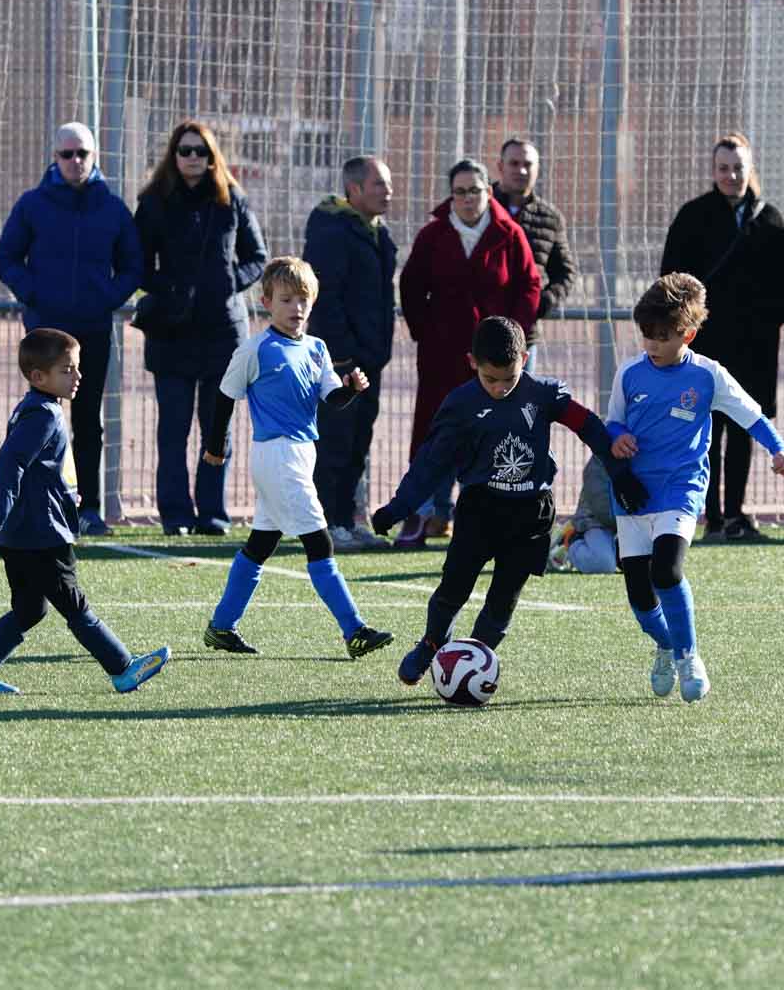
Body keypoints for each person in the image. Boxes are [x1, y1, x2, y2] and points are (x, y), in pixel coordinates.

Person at [369, 316, 646, 683]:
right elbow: (430, 463)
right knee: (454, 586)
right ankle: (433, 643)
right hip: (480, 509)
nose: (500, 388)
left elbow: (589, 427)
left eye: (509, 379)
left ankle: (473, 659)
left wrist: (620, 475)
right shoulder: (460, 404)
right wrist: (398, 508)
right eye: (491, 379)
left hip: (531, 516)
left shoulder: (545, 395)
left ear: (525, 361)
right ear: (473, 363)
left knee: (503, 598)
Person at [607, 274, 784, 703]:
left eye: (661, 337)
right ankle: (667, 645)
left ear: (687, 334)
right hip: (635, 491)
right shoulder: (630, 373)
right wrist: (617, 437)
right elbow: (612, 422)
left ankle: (690, 655)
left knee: (667, 571)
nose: (651, 345)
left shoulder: (709, 376)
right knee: (638, 591)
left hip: (680, 486)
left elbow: (751, 415)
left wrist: (779, 449)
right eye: (646, 336)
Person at [0, 328, 170, 695]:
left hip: (22, 534)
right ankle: (122, 668)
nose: (78, 376)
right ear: (39, 377)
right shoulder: (43, 415)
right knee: (74, 603)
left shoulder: (36, 408)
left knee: (29, 611)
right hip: (40, 536)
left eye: (77, 368)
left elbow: (39, 470)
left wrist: (67, 496)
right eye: (67, 369)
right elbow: (11, 462)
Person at [200, 257, 393, 659]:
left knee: (260, 543)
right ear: (266, 302)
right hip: (277, 455)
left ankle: (220, 626)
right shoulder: (255, 349)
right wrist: (216, 447)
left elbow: (332, 399)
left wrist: (352, 388)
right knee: (320, 544)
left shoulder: (317, 348)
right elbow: (223, 398)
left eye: (303, 299)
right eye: (286, 299)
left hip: (302, 454)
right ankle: (354, 630)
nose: (296, 308)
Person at [0, 121, 142, 536]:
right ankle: (34, 504)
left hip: (93, 330)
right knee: (39, 418)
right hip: (45, 332)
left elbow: (133, 265)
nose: (75, 162)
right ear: (54, 157)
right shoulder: (32, 204)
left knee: (88, 419)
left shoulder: (112, 207)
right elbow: (7, 258)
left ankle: (89, 507)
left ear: (94, 157)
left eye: (83, 154)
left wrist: (106, 297)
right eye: (67, 154)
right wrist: (34, 294)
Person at [396, 158, 540, 547]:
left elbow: (529, 285)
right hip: (442, 354)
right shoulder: (433, 234)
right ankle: (421, 513)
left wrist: (512, 339)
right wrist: (426, 332)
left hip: (493, 360)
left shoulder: (509, 235)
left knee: (492, 432)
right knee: (435, 430)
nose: (466, 198)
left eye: (474, 190)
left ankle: (483, 518)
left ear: (488, 192)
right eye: (459, 191)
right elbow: (411, 286)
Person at [133, 120, 266, 537]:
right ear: (173, 155)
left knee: (217, 429)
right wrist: (169, 290)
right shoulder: (154, 202)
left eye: (201, 151)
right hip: (171, 332)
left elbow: (257, 256)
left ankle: (212, 512)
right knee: (172, 430)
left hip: (223, 332)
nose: (193, 157)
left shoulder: (233, 200)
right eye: (185, 150)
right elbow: (139, 264)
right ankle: (175, 514)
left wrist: (229, 283)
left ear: (213, 157)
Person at [659, 133, 784, 542]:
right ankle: (711, 516)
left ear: (750, 168)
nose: (732, 175)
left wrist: (767, 317)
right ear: (713, 171)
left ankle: (736, 513)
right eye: (723, 168)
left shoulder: (769, 218)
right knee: (706, 429)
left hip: (755, 345)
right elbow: (672, 277)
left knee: (745, 424)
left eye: (738, 167)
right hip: (707, 344)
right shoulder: (693, 216)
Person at [305, 156, 397, 552]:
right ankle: (326, 524)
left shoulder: (378, 232)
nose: (387, 192)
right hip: (343, 360)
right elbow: (326, 298)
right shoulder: (332, 229)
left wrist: (375, 351)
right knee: (336, 443)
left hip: (370, 359)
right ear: (354, 189)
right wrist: (342, 355)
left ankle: (348, 519)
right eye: (378, 184)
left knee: (359, 442)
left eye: (388, 184)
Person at [492, 138, 578, 373]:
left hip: (523, 335)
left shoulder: (550, 218)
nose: (521, 170)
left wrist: (541, 303)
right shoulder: (481, 208)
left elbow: (566, 272)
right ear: (501, 167)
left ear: (537, 169)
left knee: (518, 405)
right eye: (514, 163)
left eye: (528, 164)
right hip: (478, 331)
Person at [548, 455, 620, 575]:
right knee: (603, 564)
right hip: (596, 522)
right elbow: (601, 507)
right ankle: (570, 540)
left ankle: (616, 553)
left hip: (631, 525)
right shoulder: (599, 462)